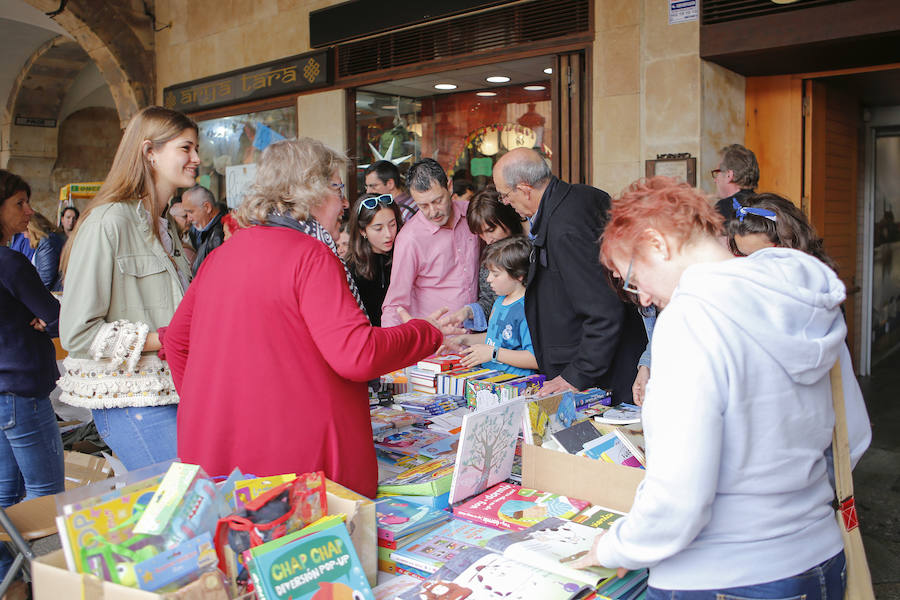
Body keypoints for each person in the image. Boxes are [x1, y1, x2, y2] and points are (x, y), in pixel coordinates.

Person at [572, 176, 871, 599]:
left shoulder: (690, 318)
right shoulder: (802, 297)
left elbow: (679, 495)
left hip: (723, 575)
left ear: (657, 243)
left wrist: (618, 545)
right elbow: (853, 436)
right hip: (819, 557)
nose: (641, 299)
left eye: (633, 279)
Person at [165, 138, 448, 497]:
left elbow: (176, 341)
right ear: (309, 191)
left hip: (226, 459)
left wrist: (210, 411)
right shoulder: (310, 255)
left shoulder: (224, 254)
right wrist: (425, 332)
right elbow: (356, 354)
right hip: (303, 464)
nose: (345, 202)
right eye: (336, 188)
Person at [58, 106, 196, 471]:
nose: (196, 158)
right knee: (182, 509)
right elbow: (78, 332)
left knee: (197, 510)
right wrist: (164, 339)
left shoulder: (168, 227)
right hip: (134, 401)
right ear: (150, 152)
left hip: (178, 391)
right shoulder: (108, 222)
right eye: (186, 148)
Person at [493, 147, 646, 401]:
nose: (506, 202)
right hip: (604, 356)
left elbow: (603, 310)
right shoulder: (580, 195)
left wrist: (577, 374)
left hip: (600, 374)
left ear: (524, 189)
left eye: (505, 195)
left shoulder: (565, 228)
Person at [0, 170, 65, 578]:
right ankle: (50, 583)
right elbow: (56, 315)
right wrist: (46, 319)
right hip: (21, 388)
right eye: (19, 203)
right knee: (47, 496)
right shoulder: (9, 261)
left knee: (5, 496)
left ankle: (10, 581)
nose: (29, 212)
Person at [381, 158, 480, 328]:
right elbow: (394, 305)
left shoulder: (472, 214)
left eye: (437, 201)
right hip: (437, 343)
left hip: (478, 337)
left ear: (449, 187)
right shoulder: (410, 239)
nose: (433, 212)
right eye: (423, 206)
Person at [445, 236, 537, 376]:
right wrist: (464, 340)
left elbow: (534, 358)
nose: (488, 279)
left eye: (495, 274)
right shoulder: (500, 300)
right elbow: (495, 338)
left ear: (519, 275)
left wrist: (494, 353)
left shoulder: (527, 309)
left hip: (515, 385)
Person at [443, 188, 524, 331]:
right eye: (480, 234)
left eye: (490, 230)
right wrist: (468, 312)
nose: (487, 240)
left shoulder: (527, 250)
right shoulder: (489, 253)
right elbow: (489, 300)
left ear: (506, 217)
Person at [727, 193, 839, 272]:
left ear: (790, 243)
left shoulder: (819, 282)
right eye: (742, 255)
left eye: (762, 256)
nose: (751, 266)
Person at [347, 193, 404, 327]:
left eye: (392, 224)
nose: (388, 234)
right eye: (378, 228)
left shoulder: (405, 255)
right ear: (362, 231)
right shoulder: (351, 268)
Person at [182, 185, 224, 275]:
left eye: (191, 212)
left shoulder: (221, 234)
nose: (188, 219)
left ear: (207, 207)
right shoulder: (197, 230)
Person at [712, 143, 759, 222]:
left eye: (717, 173)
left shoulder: (724, 208)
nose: (715, 180)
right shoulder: (769, 206)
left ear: (729, 175)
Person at [25, 212, 65, 291]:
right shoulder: (50, 240)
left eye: (25, 232)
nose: (25, 236)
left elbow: (46, 278)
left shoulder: (47, 243)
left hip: (55, 293)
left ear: (33, 230)